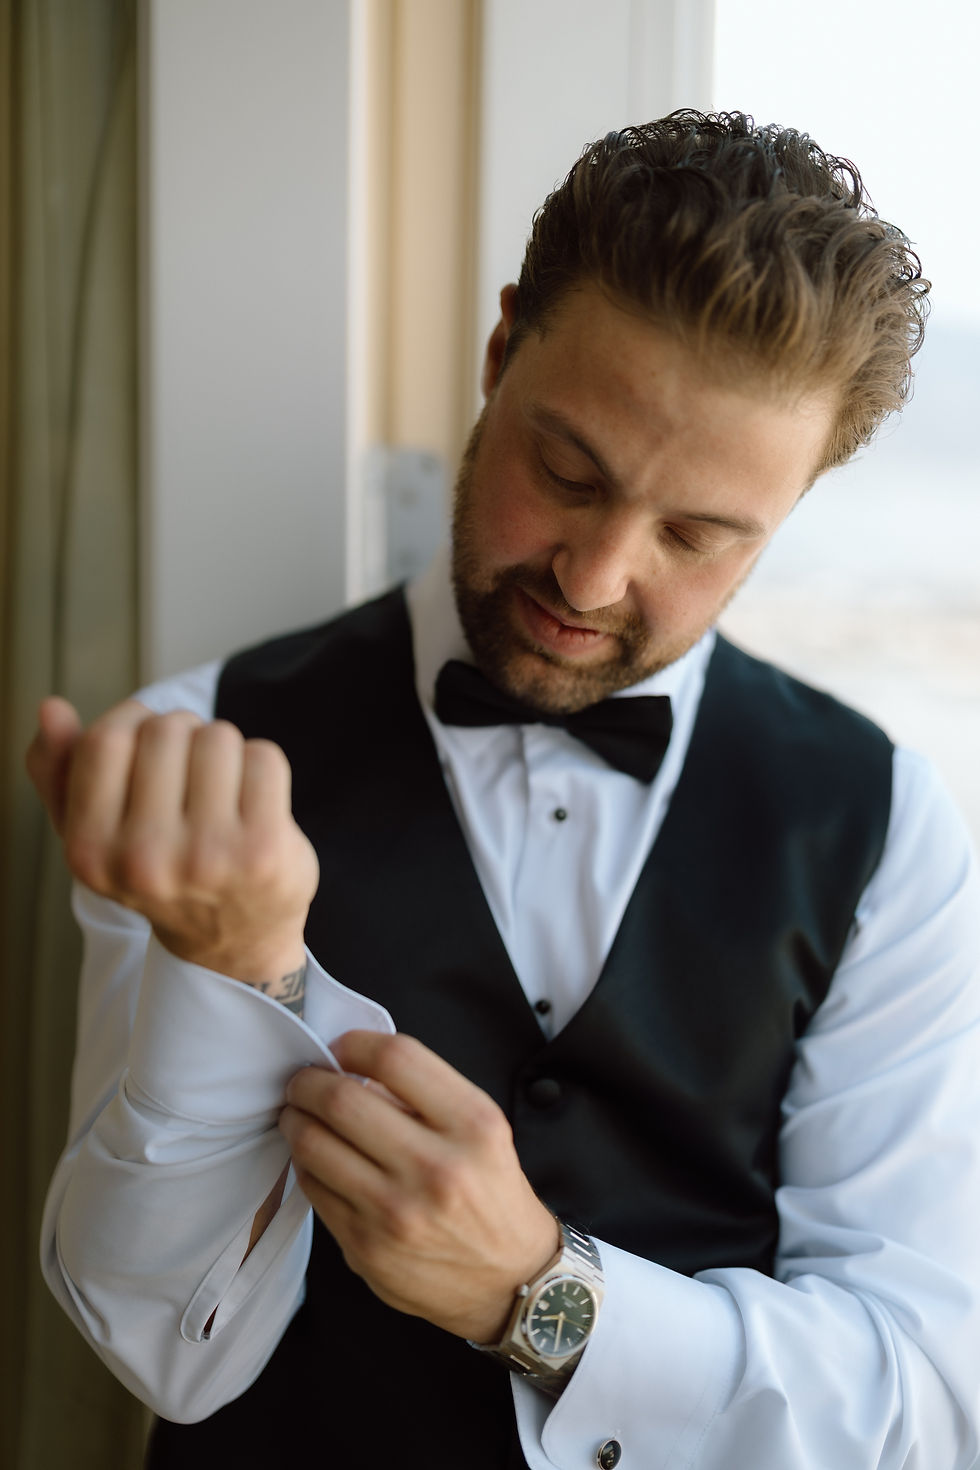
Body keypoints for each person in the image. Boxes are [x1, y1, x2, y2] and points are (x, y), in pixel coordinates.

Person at [27, 111, 980, 1469]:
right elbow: (152, 1348)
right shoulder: (198, 748)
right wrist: (237, 973)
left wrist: (539, 1295)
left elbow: (921, 1401)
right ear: (500, 352)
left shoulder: (887, 828)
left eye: (697, 535)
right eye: (567, 471)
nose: (594, 578)